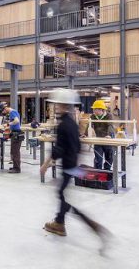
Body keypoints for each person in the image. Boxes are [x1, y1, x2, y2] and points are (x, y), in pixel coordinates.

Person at [41, 89, 111, 249]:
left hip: (68, 166)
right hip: (72, 165)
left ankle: (93, 227)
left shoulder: (64, 124)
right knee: (62, 195)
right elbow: (78, 145)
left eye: (57, 105)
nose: (55, 107)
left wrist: (46, 164)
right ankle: (59, 223)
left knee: (64, 198)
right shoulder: (72, 123)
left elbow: (59, 149)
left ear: (63, 106)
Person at [1, 101, 24, 173]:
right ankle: (15, 166)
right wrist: (9, 128)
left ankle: (17, 169)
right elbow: (15, 123)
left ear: (5, 108)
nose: (5, 112)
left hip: (17, 134)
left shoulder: (12, 112)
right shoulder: (13, 112)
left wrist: (8, 124)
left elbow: (16, 121)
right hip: (14, 133)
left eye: (4, 111)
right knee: (13, 151)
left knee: (15, 152)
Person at [91, 100, 114, 170]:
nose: (93, 111)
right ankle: (98, 174)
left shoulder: (109, 116)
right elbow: (89, 125)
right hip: (98, 140)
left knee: (109, 158)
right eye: (93, 109)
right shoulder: (93, 116)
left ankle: (106, 172)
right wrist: (85, 134)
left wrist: (109, 135)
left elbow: (110, 125)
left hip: (108, 139)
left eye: (95, 109)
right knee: (98, 159)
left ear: (101, 109)